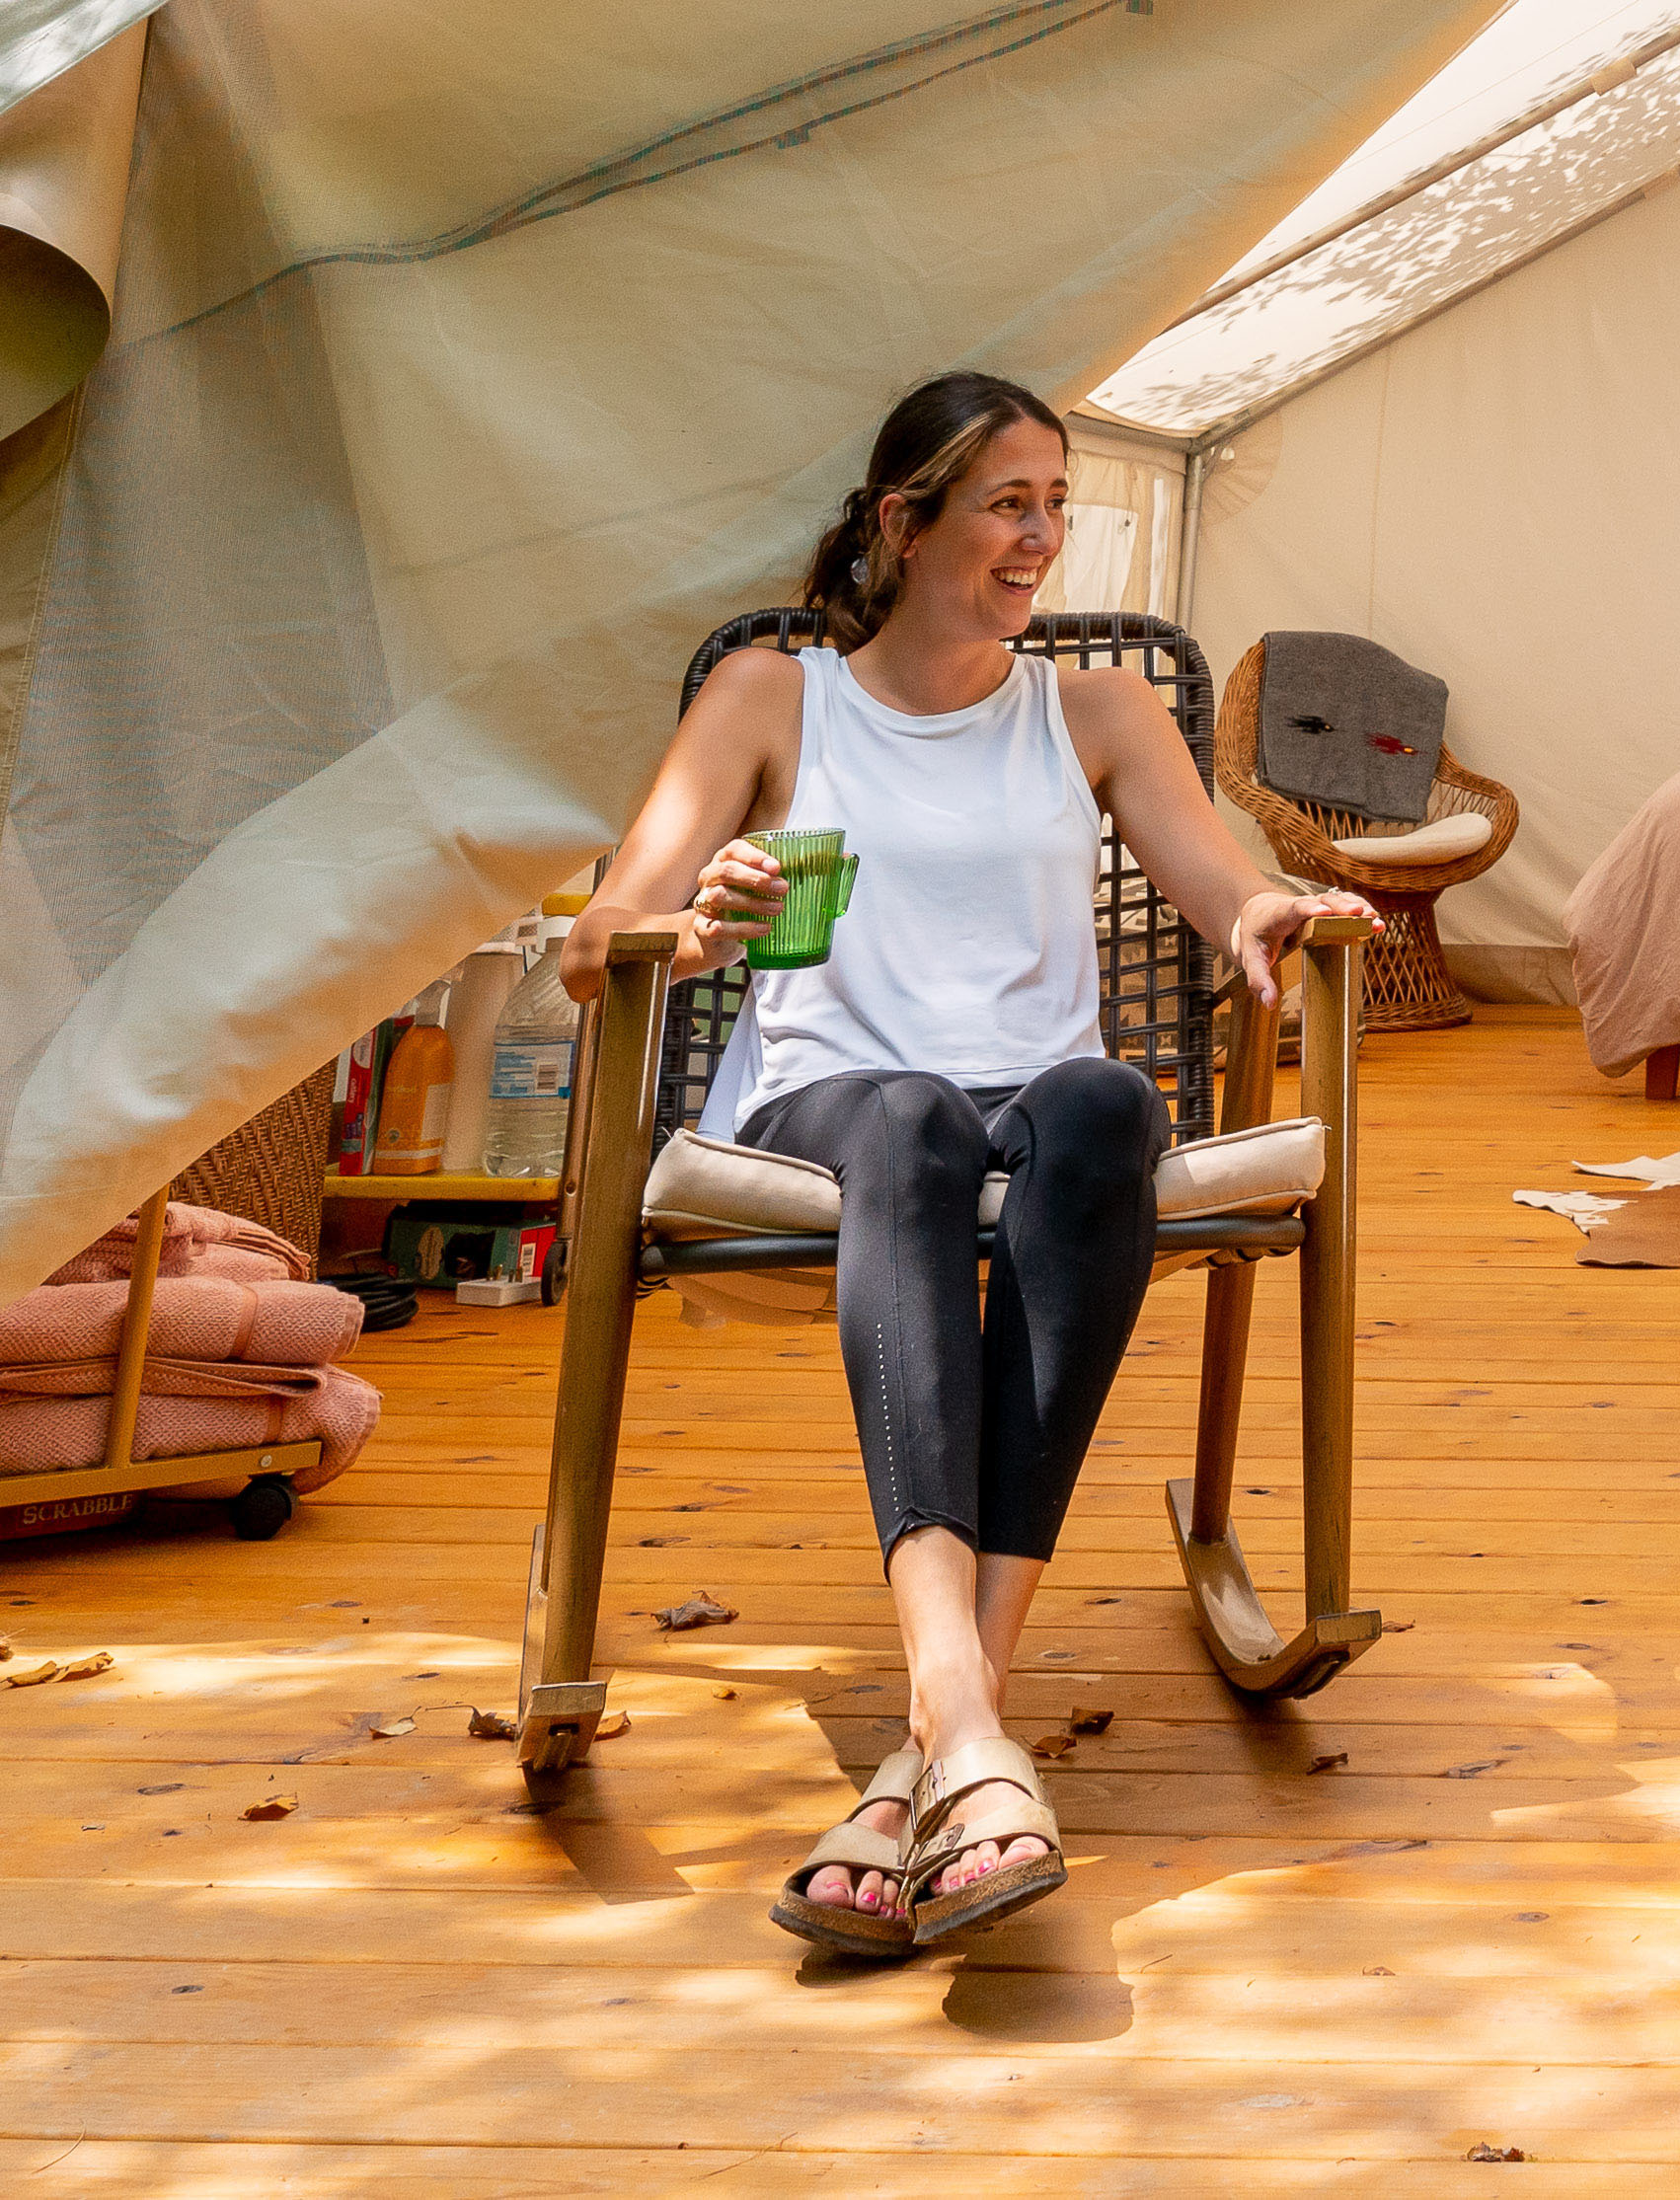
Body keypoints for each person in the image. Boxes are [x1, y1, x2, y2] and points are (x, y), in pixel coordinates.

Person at [563, 370, 1367, 1959]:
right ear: (904, 519)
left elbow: (1224, 886)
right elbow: (603, 939)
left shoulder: (1097, 711)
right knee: (914, 1117)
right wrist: (686, 918)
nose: (1043, 537)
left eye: (1057, 503)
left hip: (1026, 1106)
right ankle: (965, 1716)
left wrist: (1269, 912)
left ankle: (943, 1738)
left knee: (1106, 1106)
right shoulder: (773, 700)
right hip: (835, 1105)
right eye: (1011, 501)